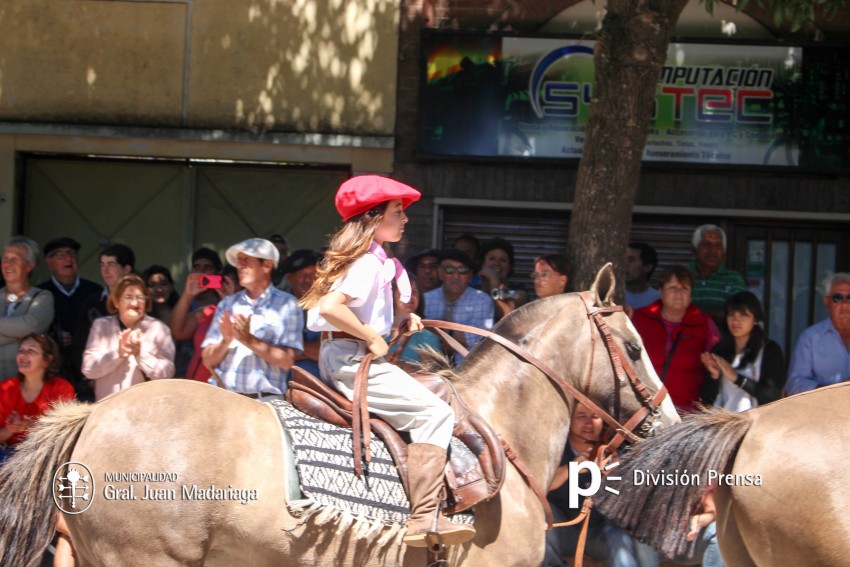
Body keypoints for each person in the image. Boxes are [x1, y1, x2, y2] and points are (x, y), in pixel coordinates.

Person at [301, 175, 475, 547]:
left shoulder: (370, 261)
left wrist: (396, 322)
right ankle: (424, 517)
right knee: (436, 414)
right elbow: (332, 309)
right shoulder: (366, 264)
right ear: (375, 218)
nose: (405, 219)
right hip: (351, 358)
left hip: (343, 353)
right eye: (398, 212)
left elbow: (349, 311)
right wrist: (371, 336)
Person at [544, 403, 659, 567]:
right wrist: (570, 469)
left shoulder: (614, 454)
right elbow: (540, 488)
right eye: (581, 416)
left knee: (620, 535)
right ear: (569, 420)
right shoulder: (555, 450)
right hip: (564, 533)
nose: (589, 423)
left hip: (599, 535)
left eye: (595, 417)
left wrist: (615, 475)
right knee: (544, 513)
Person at [201, 238, 303, 398]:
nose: (239, 266)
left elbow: (287, 361)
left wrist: (248, 340)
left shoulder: (288, 304)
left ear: (267, 265)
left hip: (264, 402)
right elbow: (207, 361)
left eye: (246, 260)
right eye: (238, 262)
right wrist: (225, 341)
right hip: (223, 399)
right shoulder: (227, 303)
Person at [632, 266, 720, 412]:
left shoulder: (704, 325)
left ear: (691, 293)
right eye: (672, 288)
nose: (678, 293)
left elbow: (716, 368)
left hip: (687, 414)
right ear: (661, 291)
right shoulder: (640, 319)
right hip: (645, 410)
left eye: (684, 288)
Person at [82, 274, 175, 401]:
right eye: (128, 297)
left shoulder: (158, 328)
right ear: (116, 302)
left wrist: (140, 355)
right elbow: (88, 369)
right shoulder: (101, 326)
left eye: (140, 298)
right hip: (108, 411)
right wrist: (118, 353)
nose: (134, 303)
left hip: (146, 410)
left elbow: (167, 373)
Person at [37, 237, 102, 395]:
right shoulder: (39, 293)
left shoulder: (94, 291)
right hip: (52, 371)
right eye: (61, 255)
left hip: (87, 369)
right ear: (49, 262)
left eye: (72, 254)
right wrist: (53, 336)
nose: (69, 259)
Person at [701, 291, 786, 411]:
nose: (736, 320)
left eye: (743, 315)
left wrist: (736, 378)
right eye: (731, 315)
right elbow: (706, 402)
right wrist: (714, 376)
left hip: (759, 424)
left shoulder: (769, 350)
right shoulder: (719, 350)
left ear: (755, 318)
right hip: (725, 424)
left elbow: (773, 396)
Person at [0, 334, 75, 464]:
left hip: (47, 459)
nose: (23, 355)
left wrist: (30, 426)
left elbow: (66, 435)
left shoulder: (62, 388)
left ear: (47, 360)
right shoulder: (6, 388)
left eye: (31, 351)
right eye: (21, 350)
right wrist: (10, 429)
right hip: (9, 460)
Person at [170, 265, 241, 383]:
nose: (225, 286)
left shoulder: (246, 317)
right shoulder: (208, 312)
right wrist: (188, 295)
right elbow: (176, 331)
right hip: (195, 386)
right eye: (222, 281)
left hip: (222, 389)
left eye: (231, 282)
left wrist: (232, 301)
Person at [785, 272, 850, 394]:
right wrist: (831, 392)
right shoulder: (810, 338)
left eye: (849, 297)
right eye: (838, 297)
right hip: (825, 410)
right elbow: (794, 384)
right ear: (827, 302)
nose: (845, 304)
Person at [1, 237, 55, 381]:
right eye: (5, 259)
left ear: (29, 265)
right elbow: (25, 331)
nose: (8, 264)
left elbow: (32, 326)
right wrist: (18, 336)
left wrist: (25, 332)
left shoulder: (42, 297)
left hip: (25, 386)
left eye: (14, 259)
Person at [423, 248, 494, 354]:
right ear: (440, 273)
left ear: (470, 275)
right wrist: (456, 335)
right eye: (449, 270)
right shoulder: (425, 299)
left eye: (462, 271)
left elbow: (479, 340)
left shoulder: (482, 300)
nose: (456, 276)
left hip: (468, 367)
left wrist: (437, 328)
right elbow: (419, 337)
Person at [688, 225, 746, 325]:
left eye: (718, 245)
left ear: (723, 252)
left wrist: (692, 310)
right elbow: (673, 312)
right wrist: (718, 312)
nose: (713, 251)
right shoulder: (681, 276)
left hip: (723, 340)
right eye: (707, 245)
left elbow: (736, 315)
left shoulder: (734, 279)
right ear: (694, 249)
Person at [281, 249, 323, 377]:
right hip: (284, 387)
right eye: (301, 274)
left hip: (322, 388)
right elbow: (273, 353)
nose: (308, 280)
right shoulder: (279, 307)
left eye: (313, 274)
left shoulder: (329, 306)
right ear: (289, 277)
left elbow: (324, 352)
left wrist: (292, 350)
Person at [389, 279, 441, 367]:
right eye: (404, 291)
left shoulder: (428, 335)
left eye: (414, 292)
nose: (410, 296)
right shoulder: (379, 329)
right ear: (392, 295)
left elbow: (431, 373)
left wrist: (401, 366)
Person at [478, 237, 529, 320]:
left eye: (503, 260)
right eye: (492, 258)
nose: (497, 263)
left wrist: (494, 280)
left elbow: (500, 312)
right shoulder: (473, 289)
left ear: (509, 266)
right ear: (482, 263)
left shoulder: (518, 292)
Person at [625, 242, 660, 310]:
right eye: (624, 260)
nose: (625, 265)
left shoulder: (658, 300)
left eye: (631, 260)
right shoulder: (612, 297)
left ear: (647, 267)